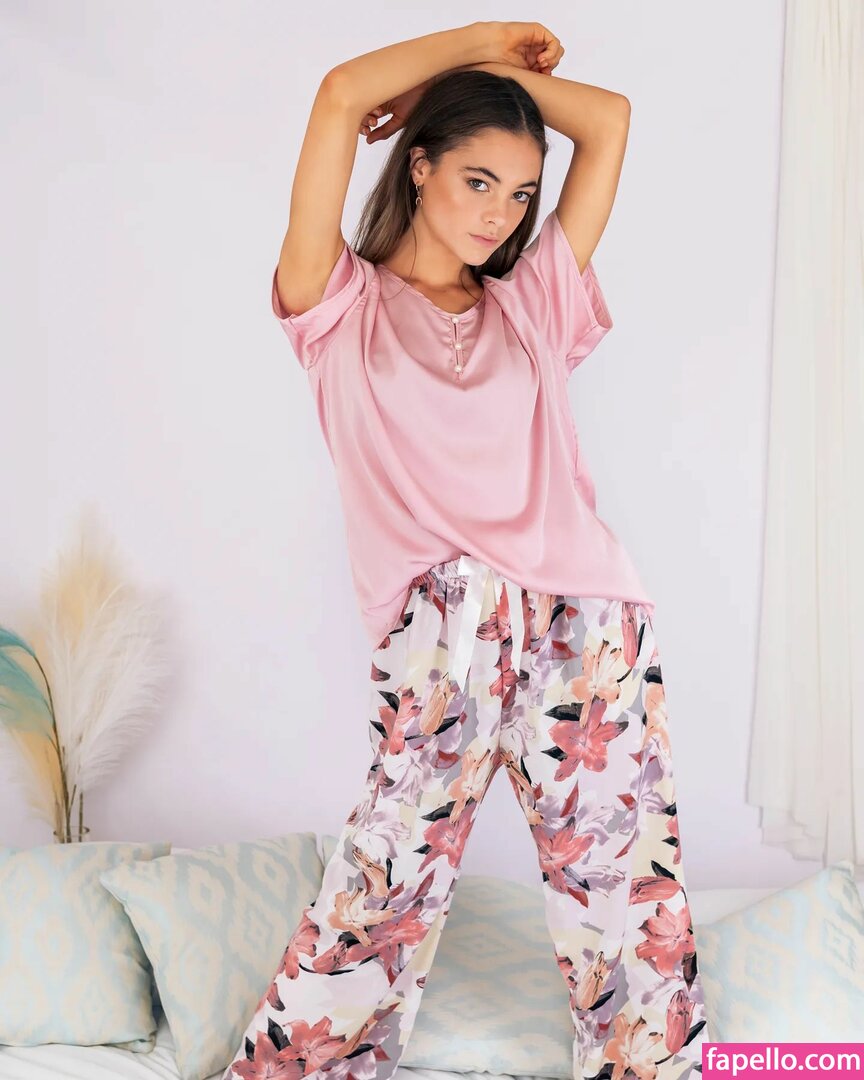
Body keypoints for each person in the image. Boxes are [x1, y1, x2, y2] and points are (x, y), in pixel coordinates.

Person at [223, 20, 710, 1080]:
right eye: (478, 180)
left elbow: (610, 120)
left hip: (584, 620)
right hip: (440, 631)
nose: (502, 213)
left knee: (625, 894)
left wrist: (478, 80)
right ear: (420, 164)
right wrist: (478, 44)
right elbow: (339, 92)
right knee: (385, 883)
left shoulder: (534, 300)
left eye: (522, 193)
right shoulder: (337, 306)